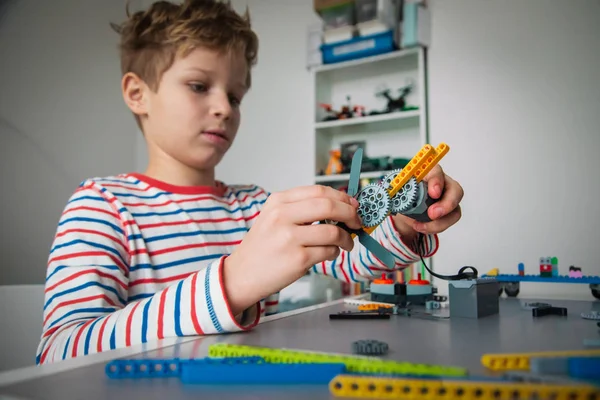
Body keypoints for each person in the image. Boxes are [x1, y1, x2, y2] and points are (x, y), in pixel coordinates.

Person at [36, 0, 464, 365]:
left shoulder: (254, 205)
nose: (224, 107)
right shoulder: (103, 206)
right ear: (137, 93)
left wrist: (407, 220)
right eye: (199, 85)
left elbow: (349, 259)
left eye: (235, 96)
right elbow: (61, 350)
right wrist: (231, 283)